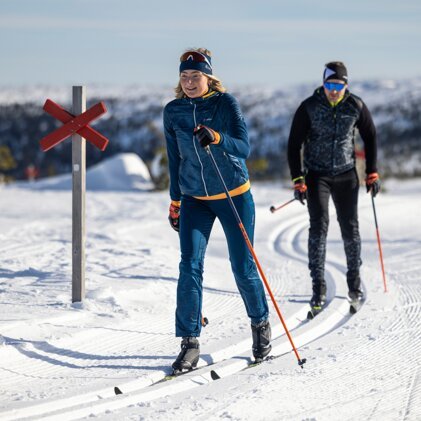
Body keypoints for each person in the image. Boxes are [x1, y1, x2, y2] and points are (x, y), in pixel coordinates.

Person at [163, 48, 271, 372]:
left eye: (196, 76)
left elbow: (244, 147)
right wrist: (175, 200)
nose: (190, 82)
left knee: (241, 266)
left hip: (233, 194)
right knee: (190, 265)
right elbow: (174, 159)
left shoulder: (225, 104)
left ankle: (260, 324)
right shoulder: (173, 112)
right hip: (195, 197)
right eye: (185, 76)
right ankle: (190, 342)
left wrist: (217, 136)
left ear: (209, 77)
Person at [287, 61, 380, 311]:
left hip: (347, 174)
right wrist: (298, 180)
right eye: (330, 84)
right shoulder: (309, 107)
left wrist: (372, 171)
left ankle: (354, 284)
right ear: (323, 83)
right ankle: (318, 288)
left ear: (345, 85)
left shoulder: (355, 105)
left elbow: (370, 136)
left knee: (351, 229)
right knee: (319, 228)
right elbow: (293, 144)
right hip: (317, 176)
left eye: (338, 85)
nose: (334, 90)